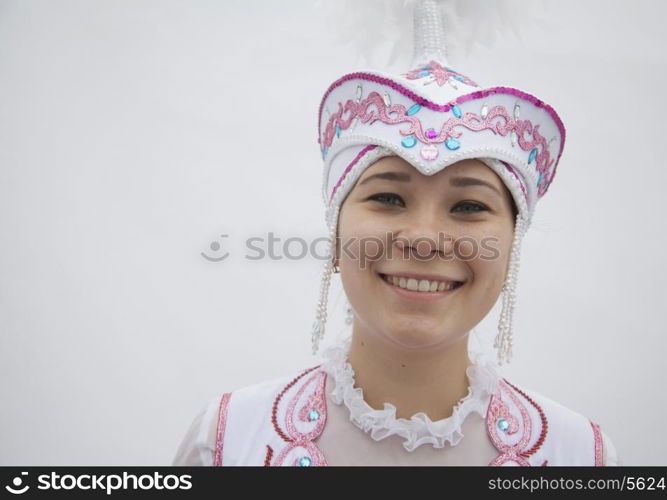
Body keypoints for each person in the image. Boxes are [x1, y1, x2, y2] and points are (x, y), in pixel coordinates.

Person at [173, 0, 619, 466]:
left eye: (469, 206)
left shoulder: (581, 457)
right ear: (336, 232)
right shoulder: (226, 442)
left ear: (511, 244)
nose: (423, 238)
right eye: (387, 198)